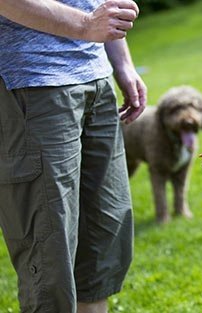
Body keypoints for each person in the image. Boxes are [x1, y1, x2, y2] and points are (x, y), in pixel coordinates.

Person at [0, 0, 147, 312]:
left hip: (97, 77)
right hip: (32, 82)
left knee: (102, 246)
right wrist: (85, 25)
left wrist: (122, 62)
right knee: (50, 254)